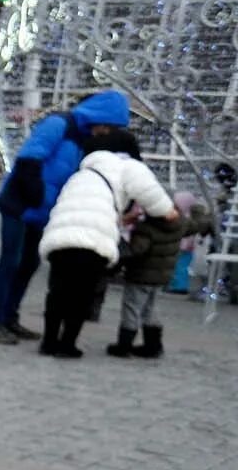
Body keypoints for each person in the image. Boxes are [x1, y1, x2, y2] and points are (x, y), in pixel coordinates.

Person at [0, 89, 129, 344]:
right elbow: (30, 157)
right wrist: (36, 194)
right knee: (11, 261)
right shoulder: (59, 124)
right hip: (20, 204)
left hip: (41, 211)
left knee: (28, 264)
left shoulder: (83, 138)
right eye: (108, 126)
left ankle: (10, 316)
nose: (106, 132)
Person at [38, 127, 174, 358]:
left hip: (60, 236)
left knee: (58, 292)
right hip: (93, 242)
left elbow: (89, 205)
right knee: (82, 294)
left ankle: (49, 342)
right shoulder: (128, 166)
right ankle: (67, 344)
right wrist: (170, 213)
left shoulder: (83, 172)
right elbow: (154, 198)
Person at [109, 189, 197, 358]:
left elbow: (137, 251)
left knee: (132, 309)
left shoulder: (146, 228)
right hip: (161, 276)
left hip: (141, 275)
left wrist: (122, 245)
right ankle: (153, 345)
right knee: (151, 309)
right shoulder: (180, 223)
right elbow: (197, 224)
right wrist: (198, 210)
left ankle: (124, 345)